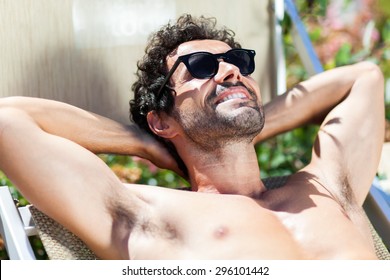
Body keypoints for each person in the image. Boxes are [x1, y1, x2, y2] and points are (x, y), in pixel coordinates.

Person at [0, 14, 385, 259]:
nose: (229, 71)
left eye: (238, 62)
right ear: (162, 121)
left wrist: (251, 122)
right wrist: (144, 144)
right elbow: (7, 121)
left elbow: (364, 77)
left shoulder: (330, 187)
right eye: (200, 67)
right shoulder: (145, 215)